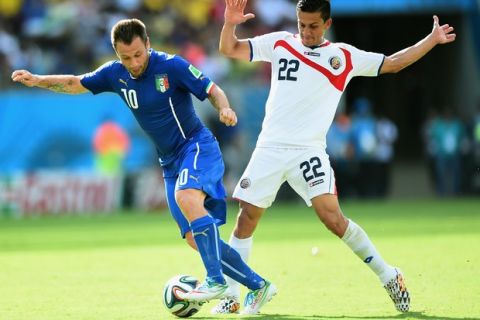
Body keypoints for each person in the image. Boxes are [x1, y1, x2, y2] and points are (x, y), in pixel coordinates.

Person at [11, 18, 276, 314]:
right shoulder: (115, 74)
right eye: (126, 57)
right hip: (169, 162)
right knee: (193, 238)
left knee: (186, 196)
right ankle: (258, 285)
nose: (134, 63)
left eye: (138, 54)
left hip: (196, 145)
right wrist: (38, 80)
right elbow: (75, 83)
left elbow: (212, 89)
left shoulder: (171, 66)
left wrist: (224, 108)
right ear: (116, 53)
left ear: (148, 44)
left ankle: (216, 280)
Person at [214, 0, 456, 314]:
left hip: (308, 151)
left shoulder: (342, 56)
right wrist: (229, 21)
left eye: (313, 25)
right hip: (269, 148)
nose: (306, 31)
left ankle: (389, 275)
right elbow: (229, 49)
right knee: (246, 219)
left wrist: (432, 39)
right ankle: (233, 298)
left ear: (327, 23)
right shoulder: (279, 44)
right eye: (302, 24)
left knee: (333, 219)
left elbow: (393, 63)